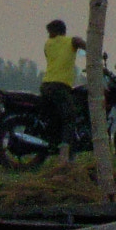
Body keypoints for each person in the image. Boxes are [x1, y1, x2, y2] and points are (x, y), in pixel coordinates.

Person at [39, 19, 85, 161]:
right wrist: (92, 51)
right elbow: (79, 42)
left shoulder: (48, 44)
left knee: (57, 118)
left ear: (54, 31)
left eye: (49, 33)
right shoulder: (70, 41)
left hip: (46, 86)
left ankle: (57, 145)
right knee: (70, 117)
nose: (48, 36)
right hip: (60, 86)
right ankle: (64, 154)